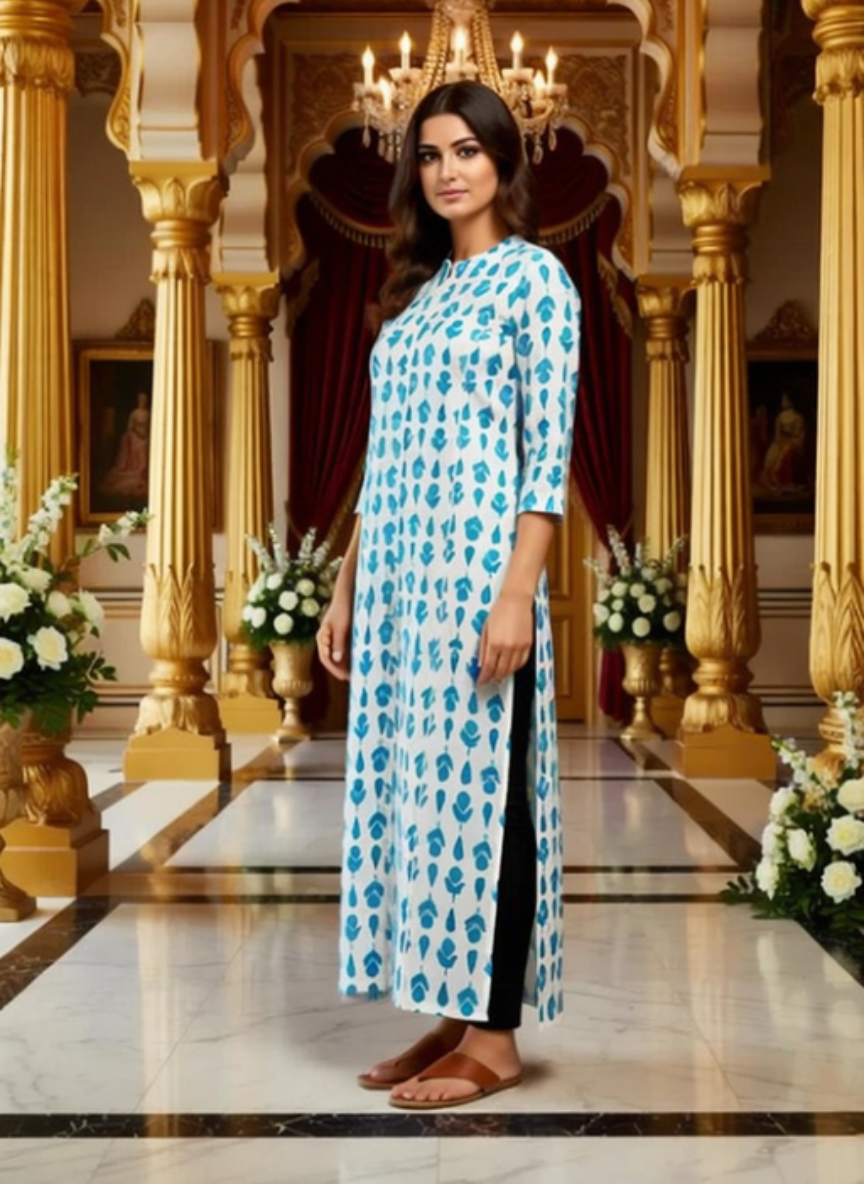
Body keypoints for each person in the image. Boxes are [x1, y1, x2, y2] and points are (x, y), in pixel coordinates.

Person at [317, 80, 580, 1111]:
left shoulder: (536, 281)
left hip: (476, 580)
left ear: (504, 159)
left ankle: (497, 1036)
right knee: (419, 798)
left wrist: (517, 593)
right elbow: (380, 460)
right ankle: (451, 1006)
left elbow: (546, 456)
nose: (447, 171)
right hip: (397, 586)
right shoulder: (418, 299)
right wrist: (346, 587)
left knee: (488, 801)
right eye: (429, 154)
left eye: (467, 149)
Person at [99, 390, 150, 498]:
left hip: (146, 437)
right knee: (137, 445)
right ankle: (135, 467)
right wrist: (138, 433)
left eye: (144, 399)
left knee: (145, 446)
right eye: (141, 399)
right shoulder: (134, 413)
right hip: (135, 437)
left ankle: (143, 470)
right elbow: (130, 427)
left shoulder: (147, 413)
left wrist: (145, 435)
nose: (142, 401)